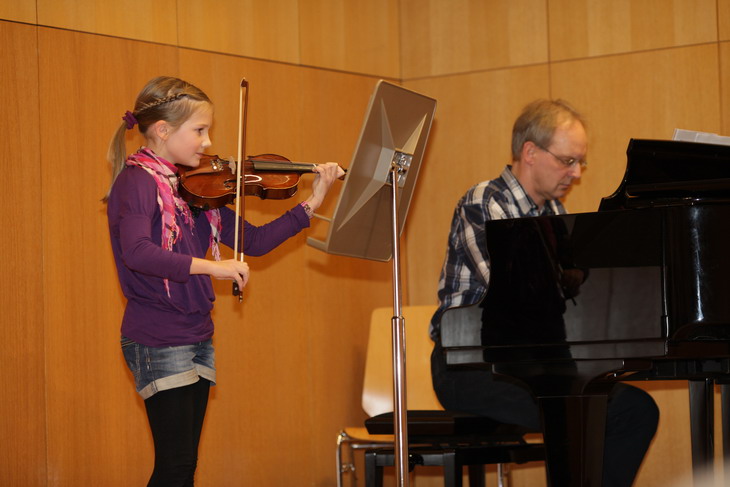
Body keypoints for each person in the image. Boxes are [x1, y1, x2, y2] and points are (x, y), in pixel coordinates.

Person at [105, 76, 344, 486]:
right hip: (158, 335)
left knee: (184, 466)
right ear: (162, 130)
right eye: (199, 130)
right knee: (176, 466)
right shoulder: (138, 183)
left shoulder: (193, 189)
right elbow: (138, 252)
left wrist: (314, 200)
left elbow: (255, 241)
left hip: (196, 334)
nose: (208, 141)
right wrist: (212, 268)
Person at [429, 99, 659, 487]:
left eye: (580, 162)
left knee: (636, 409)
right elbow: (513, 290)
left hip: (535, 361)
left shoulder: (553, 214)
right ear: (530, 152)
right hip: (472, 367)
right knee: (592, 411)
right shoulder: (485, 201)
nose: (576, 173)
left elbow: (567, 297)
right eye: (568, 161)